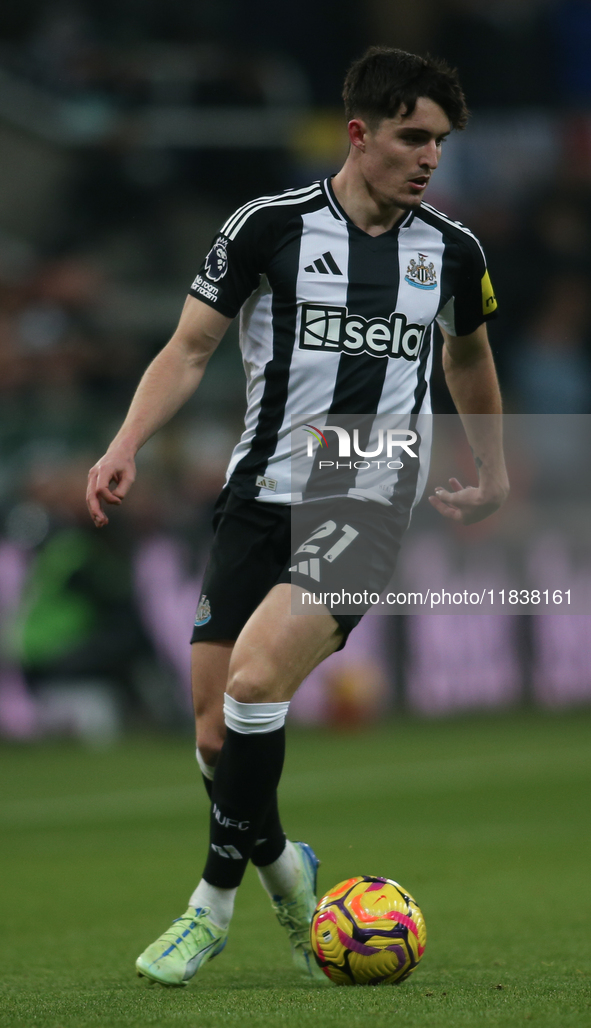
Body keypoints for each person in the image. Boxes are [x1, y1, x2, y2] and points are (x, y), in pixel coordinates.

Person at [86, 46, 509, 986]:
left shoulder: (453, 251)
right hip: (255, 493)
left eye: (438, 141)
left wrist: (491, 466)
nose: (429, 158)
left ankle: (210, 906)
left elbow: (468, 362)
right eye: (411, 137)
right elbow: (189, 348)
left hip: (366, 484)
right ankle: (286, 870)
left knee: (255, 675)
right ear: (358, 134)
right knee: (213, 735)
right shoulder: (267, 229)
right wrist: (125, 445)